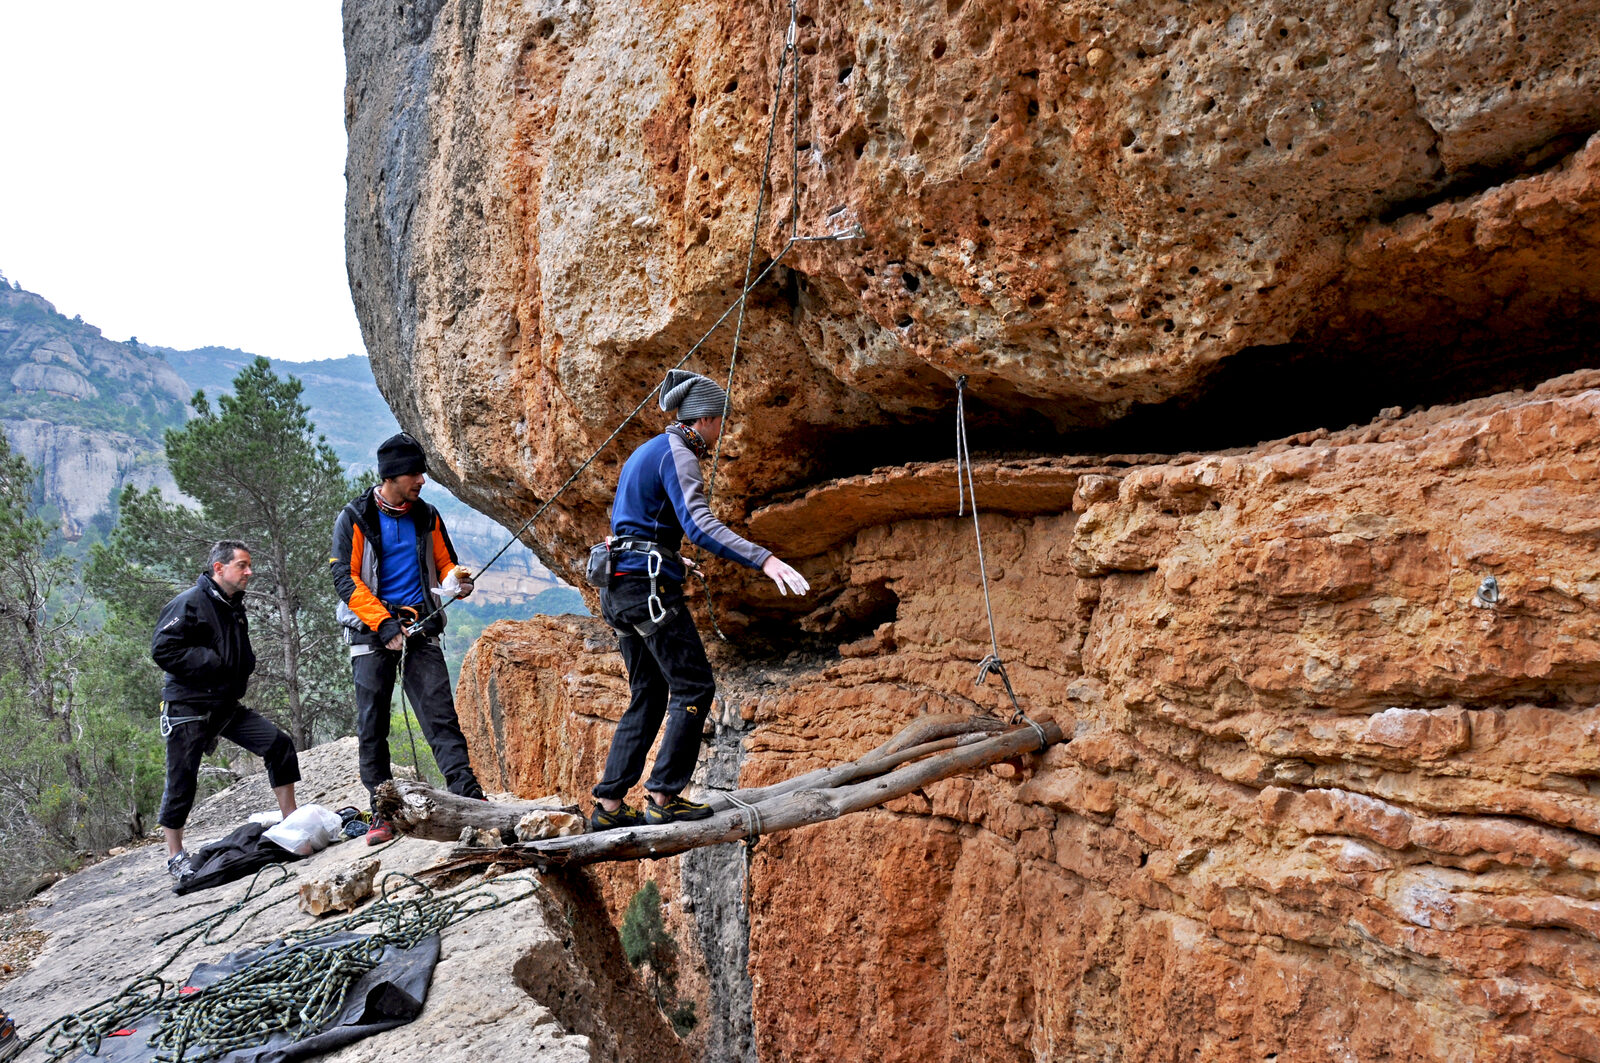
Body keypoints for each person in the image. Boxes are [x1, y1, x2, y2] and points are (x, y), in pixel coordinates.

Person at [590, 369, 810, 830]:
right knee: (693, 686)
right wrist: (765, 559)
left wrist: (673, 559)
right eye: (721, 421)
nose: (722, 429)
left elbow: (635, 524)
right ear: (705, 418)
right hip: (647, 589)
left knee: (648, 693)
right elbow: (699, 523)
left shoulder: (644, 451)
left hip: (619, 585)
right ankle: (665, 795)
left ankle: (608, 806)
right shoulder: (679, 452)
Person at [330, 432, 485, 844]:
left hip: (420, 629)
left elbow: (446, 563)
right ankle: (383, 812)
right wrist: (383, 624)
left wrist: (457, 582)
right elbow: (345, 579)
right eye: (415, 473)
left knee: (441, 720)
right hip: (370, 632)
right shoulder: (355, 517)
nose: (421, 481)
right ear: (393, 476)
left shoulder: (427, 515)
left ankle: (471, 802)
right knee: (372, 723)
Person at [152, 540, 300, 880]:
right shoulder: (189, 603)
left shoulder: (232, 603)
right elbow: (162, 648)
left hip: (223, 705)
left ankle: (292, 821)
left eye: (249, 566)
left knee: (278, 743)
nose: (249, 572)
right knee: (181, 779)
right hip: (188, 707)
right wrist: (212, 663)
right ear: (220, 568)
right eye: (242, 565)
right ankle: (175, 857)